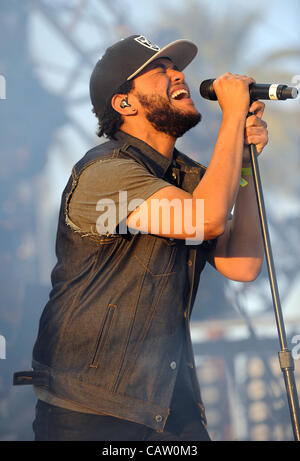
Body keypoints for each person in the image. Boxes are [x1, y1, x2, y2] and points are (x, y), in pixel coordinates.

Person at [13, 34, 268, 441]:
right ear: (125, 103)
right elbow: (205, 220)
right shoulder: (105, 173)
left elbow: (243, 264)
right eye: (160, 70)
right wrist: (233, 118)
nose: (177, 74)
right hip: (93, 410)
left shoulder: (188, 179)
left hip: (168, 404)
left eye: (177, 67)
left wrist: (244, 167)